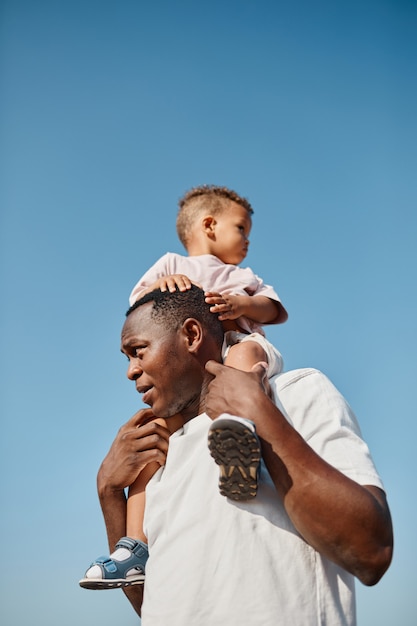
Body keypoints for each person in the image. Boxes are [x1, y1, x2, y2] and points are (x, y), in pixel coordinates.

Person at [88, 286, 393, 625]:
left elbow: (371, 551)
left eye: (138, 351)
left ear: (191, 335)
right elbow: (153, 607)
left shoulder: (295, 395)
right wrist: (110, 493)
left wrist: (259, 413)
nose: (130, 371)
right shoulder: (159, 462)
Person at [80, 185, 289, 589]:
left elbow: (273, 309)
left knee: (244, 361)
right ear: (209, 225)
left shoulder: (241, 278)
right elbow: (143, 307)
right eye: (241, 228)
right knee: (150, 448)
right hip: (192, 376)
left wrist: (243, 305)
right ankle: (133, 548)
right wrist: (164, 285)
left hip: (239, 345)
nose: (247, 240)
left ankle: (239, 433)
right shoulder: (170, 264)